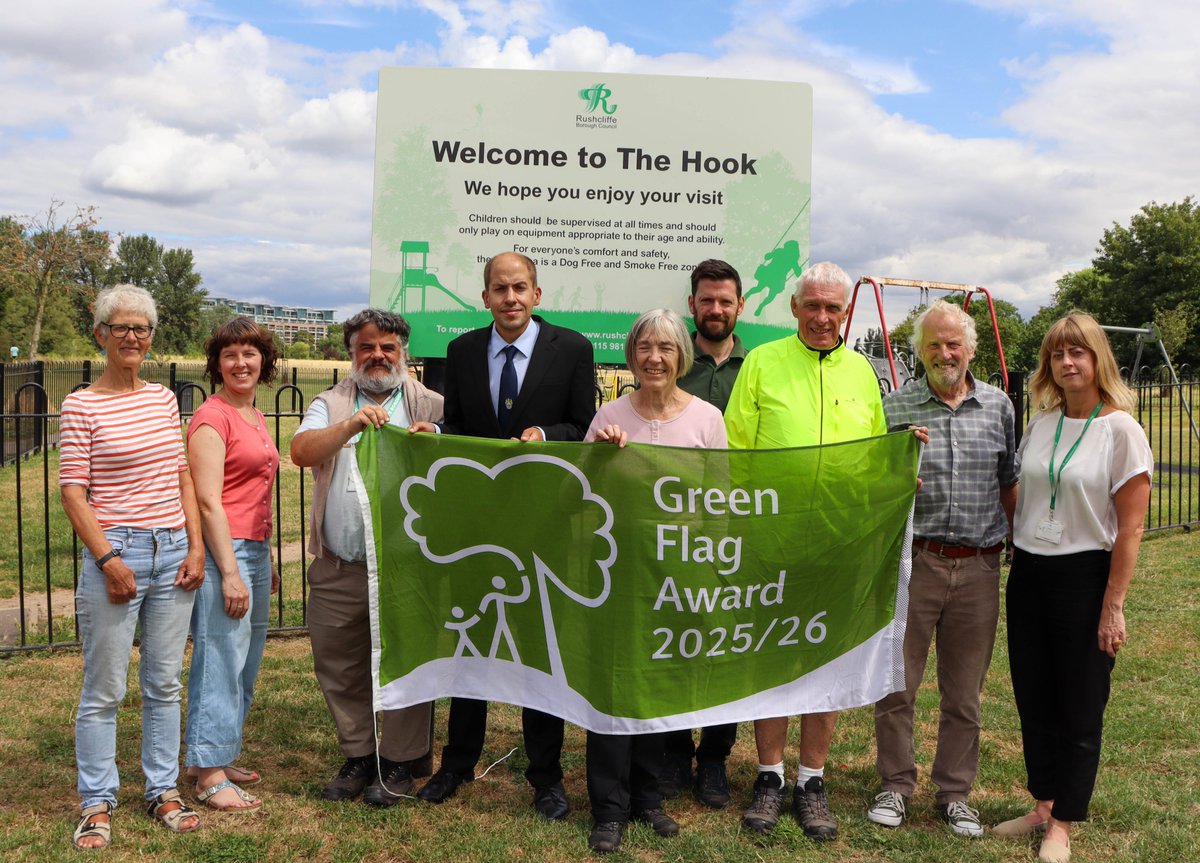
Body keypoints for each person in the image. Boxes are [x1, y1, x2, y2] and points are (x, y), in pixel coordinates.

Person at [409, 251, 596, 820]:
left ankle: (546, 776)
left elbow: (583, 426)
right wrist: (436, 431)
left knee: (540, 648)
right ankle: (457, 764)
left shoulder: (575, 348)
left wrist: (548, 433)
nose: (510, 298)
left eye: (520, 288)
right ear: (485, 296)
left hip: (544, 527)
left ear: (537, 294)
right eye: (499, 288)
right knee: (470, 645)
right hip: (477, 528)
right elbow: (463, 426)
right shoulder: (463, 351)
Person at [724, 261, 888, 842]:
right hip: (772, 540)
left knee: (829, 657)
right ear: (793, 308)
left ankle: (811, 779)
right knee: (771, 654)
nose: (823, 317)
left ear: (846, 312)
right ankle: (769, 775)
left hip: (841, 543)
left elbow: (874, 456)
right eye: (812, 306)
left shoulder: (863, 371)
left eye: (833, 308)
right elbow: (734, 450)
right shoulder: (763, 362)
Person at [995, 312, 1151, 863]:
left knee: (1080, 703)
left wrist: (1114, 605)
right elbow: (1023, 492)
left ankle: (1062, 823)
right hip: (1031, 573)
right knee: (1033, 695)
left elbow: (1130, 527)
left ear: (1097, 359)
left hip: (1085, 577)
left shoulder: (1122, 430)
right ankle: (1042, 802)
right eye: (1058, 354)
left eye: (1077, 352)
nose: (1067, 363)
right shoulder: (1040, 423)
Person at [59, 284, 205, 850]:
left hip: (171, 547)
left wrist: (194, 547)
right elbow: (74, 494)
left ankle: (162, 791)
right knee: (105, 688)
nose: (132, 337)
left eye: (141, 328)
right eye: (120, 327)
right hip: (114, 550)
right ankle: (97, 802)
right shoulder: (81, 404)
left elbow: (181, 477)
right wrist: (108, 559)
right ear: (100, 335)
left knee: (164, 682)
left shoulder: (164, 399)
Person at [868, 300, 1019, 837]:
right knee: (897, 684)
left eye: (953, 343)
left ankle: (955, 793)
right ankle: (894, 785)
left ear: (970, 349)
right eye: (933, 344)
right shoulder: (895, 406)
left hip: (978, 567)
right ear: (919, 351)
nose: (944, 353)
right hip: (916, 563)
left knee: (964, 693)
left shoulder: (999, 406)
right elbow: (874, 483)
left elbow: (1009, 481)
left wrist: (1014, 541)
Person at [583, 308, 725, 853]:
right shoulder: (608, 416)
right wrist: (601, 458)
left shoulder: (708, 419)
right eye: (645, 347)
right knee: (613, 684)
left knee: (657, 684)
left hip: (678, 573)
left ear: (681, 356)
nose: (655, 358)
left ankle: (648, 797)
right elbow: (583, 498)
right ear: (631, 355)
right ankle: (609, 807)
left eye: (665, 348)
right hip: (617, 572)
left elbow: (722, 502)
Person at [291, 309, 442, 806]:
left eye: (388, 347)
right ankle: (359, 756)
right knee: (339, 663)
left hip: (409, 565)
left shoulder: (431, 403)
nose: (378, 356)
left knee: (407, 662)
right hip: (340, 563)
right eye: (366, 347)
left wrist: (434, 439)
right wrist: (350, 425)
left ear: (404, 352)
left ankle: (399, 762)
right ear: (352, 354)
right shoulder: (331, 401)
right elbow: (301, 450)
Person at [183, 317, 281, 812]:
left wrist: (265, 559)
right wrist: (233, 571)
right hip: (230, 551)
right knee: (220, 657)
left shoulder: (254, 415)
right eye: (230, 355)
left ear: (264, 361)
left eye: (250, 353)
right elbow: (207, 502)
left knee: (245, 661)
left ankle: (215, 754)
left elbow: (256, 491)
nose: (241, 363)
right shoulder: (212, 417)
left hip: (254, 548)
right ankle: (209, 777)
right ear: (217, 364)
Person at [661, 258, 746, 809]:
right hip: (670, 532)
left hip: (735, 527)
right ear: (691, 304)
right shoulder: (671, 364)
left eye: (725, 301)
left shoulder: (757, 365)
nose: (715, 309)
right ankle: (672, 751)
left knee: (724, 643)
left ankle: (715, 756)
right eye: (706, 300)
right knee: (671, 641)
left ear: (741, 306)